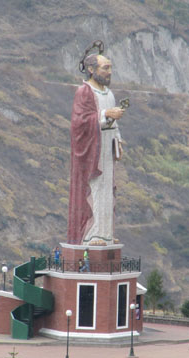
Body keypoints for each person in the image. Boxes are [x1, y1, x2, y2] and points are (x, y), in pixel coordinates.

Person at [67, 51, 125, 246]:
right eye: (105, 68)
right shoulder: (84, 92)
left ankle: (105, 233)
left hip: (106, 151)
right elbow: (78, 123)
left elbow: (113, 123)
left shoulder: (109, 93)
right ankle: (92, 234)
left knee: (107, 191)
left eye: (110, 67)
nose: (109, 72)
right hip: (91, 153)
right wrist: (105, 113)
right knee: (95, 191)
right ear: (91, 70)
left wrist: (118, 140)